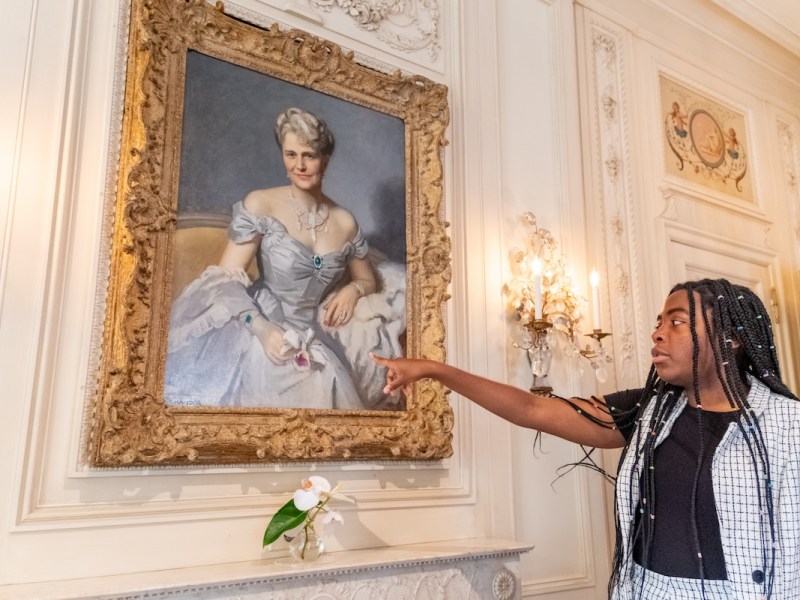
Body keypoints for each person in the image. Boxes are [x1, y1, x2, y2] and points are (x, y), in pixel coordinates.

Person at [372, 278, 800, 599]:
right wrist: (435, 370)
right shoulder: (649, 411)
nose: (658, 333)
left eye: (677, 322)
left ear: (732, 339)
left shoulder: (786, 426)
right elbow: (533, 409)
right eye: (658, 323)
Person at [165, 107, 406, 410]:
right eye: (291, 155)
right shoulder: (261, 203)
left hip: (310, 331)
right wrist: (262, 330)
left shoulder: (345, 222)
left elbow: (367, 278)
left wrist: (353, 289)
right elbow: (223, 282)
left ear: (326, 160)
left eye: (309, 155)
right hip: (258, 322)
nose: (300, 165)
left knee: (327, 379)